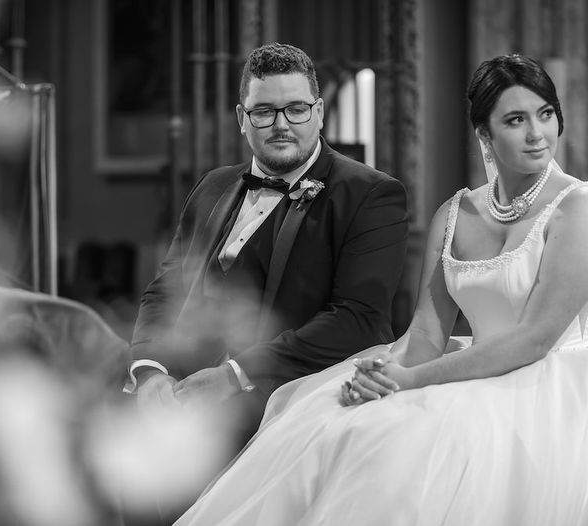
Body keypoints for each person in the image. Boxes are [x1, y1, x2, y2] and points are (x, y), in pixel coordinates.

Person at [175, 54, 588, 525]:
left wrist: (411, 381)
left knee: (423, 456)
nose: (537, 134)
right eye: (516, 120)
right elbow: (427, 330)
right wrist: (382, 376)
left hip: (567, 388)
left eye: (546, 115)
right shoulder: (456, 211)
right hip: (464, 370)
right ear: (484, 133)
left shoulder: (582, 207)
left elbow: (534, 339)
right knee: (336, 423)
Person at [123, 42, 408, 475]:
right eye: (263, 112)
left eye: (295, 109)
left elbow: (359, 319)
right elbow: (165, 291)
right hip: (185, 408)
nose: (280, 125)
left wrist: (234, 375)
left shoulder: (371, 194)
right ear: (242, 119)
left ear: (319, 112)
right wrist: (149, 371)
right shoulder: (212, 186)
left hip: (295, 410)